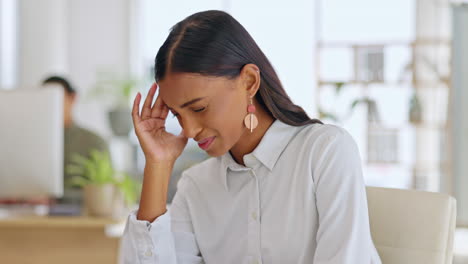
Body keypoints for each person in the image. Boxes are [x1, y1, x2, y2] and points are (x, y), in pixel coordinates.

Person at [119, 10, 382, 264]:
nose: (188, 131)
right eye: (177, 115)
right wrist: (158, 164)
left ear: (249, 81)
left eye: (199, 108)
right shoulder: (196, 187)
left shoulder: (325, 152)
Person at [42, 76, 109, 203]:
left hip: (79, 220)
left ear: (72, 98)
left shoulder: (94, 142)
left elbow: (105, 193)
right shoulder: (31, 143)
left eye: (55, 100)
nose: (49, 106)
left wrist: (54, 198)